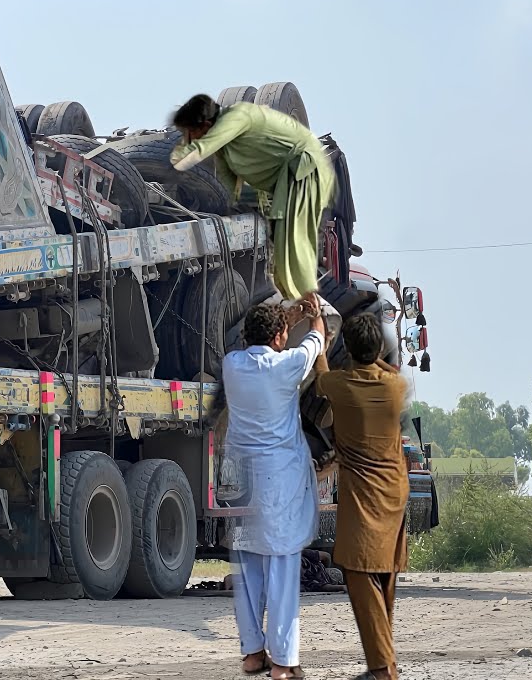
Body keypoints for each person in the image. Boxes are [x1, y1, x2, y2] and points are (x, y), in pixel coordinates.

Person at [223, 297, 328, 679]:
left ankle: (253, 653)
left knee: (249, 566)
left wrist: (287, 317)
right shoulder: (288, 365)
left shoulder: (232, 365)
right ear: (281, 337)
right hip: (277, 478)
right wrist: (313, 317)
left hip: (240, 477)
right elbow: (317, 339)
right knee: (282, 567)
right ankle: (283, 661)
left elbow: (260, 339)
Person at [170, 94, 336, 301]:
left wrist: (176, 157)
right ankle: (297, 302)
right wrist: (227, 210)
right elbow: (228, 183)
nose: (189, 138)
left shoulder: (236, 117)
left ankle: (312, 305)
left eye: (190, 132)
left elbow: (199, 150)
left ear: (205, 125)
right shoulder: (224, 145)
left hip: (302, 173)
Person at [316, 315, 409, 680]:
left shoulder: (341, 385)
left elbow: (320, 371)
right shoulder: (395, 387)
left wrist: (320, 334)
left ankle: (382, 670)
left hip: (364, 494)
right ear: (380, 350)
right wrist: (375, 356)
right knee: (384, 573)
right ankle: (385, 666)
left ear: (348, 350)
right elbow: (387, 368)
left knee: (357, 572)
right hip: (394, 490)